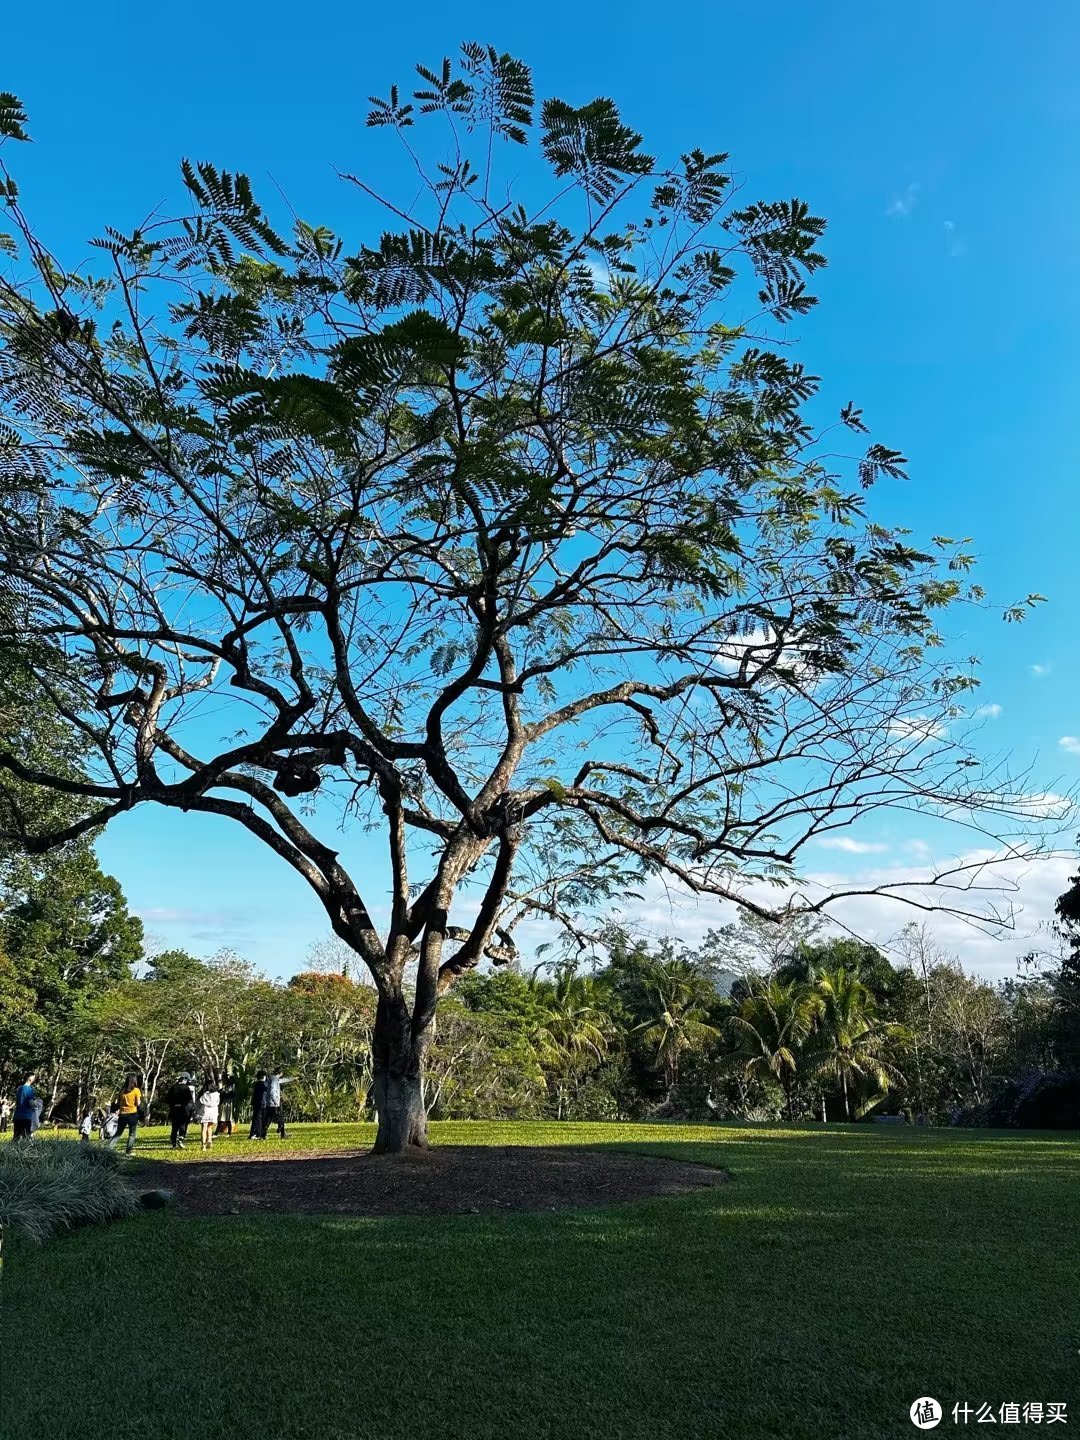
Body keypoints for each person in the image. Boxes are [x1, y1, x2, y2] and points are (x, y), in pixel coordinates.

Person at [108, 1073, 143, 1153]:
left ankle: (109, 1148)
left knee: (118, 1133)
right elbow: (138, 1103)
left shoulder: (122, 1090)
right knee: (132, 1134)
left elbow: (118, 1103)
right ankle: (128, 1152)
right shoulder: (136, 1090)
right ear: (134, 1081)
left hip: (122, 1114)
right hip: (132, 1114)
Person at [166, 1072, 196, 1150]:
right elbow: (189, 1099)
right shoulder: (186, 1088)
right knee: (182, 1125)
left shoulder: (173, 1087)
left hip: (174, 1109)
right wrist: (192, 1108)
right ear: (184, 1079)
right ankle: (181, 1139)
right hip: (183, 1109)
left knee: (174, 1127)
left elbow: (167, 1099)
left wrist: (172, 1105)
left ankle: (173, 1143)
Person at [262, 1071, 295, 1140]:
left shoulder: (272, 1079)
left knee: (268, 1118)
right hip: (274, 1103)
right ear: (280, 1073)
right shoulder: (274, 1080)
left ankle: (263, 1134)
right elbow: (272, 1091)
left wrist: (292, 1078)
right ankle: (281, 1131)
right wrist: (275, 1101)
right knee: (280, 1118)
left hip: (269, 1103)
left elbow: (283, 1080)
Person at [195, 1075, 221, 1151]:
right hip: (213, 1112)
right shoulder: (216, 1094)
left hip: (205, 1111)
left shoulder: (204, 1094)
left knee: (204, 1128)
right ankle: (209, 1140)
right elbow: (218, 1102)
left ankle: (203, 1146)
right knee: (210, 1127)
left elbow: (199, 1102)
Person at [12, 1073, 38, 1142]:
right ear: (30, 1079)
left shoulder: (19, 1089)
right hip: (26, 1116)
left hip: (17, 1116)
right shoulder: (29, 1089)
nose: (34, 1079)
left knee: (16, 1138)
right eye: (34, 1078)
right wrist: (37, 1103)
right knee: (26, 1138)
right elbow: (31, 1103)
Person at [248, 1071, 268, 1140]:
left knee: (256, 1119)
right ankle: (259, 1134)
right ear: (264, 1077)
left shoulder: (256, 1084)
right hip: (263, 1104)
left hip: (256, 1104)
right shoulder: (265, 1084)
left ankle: (253, 1134)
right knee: (261, 1120)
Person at [216, 1072, 236, 1137]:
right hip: (223, 1103)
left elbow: (231, 1095)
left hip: (228, 1104)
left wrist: (224, 1093)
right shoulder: (223, 1087)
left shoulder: (232, 1088)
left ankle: (229, 1133)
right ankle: (216, 1132)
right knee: (221, 1118)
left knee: (228, 1118)